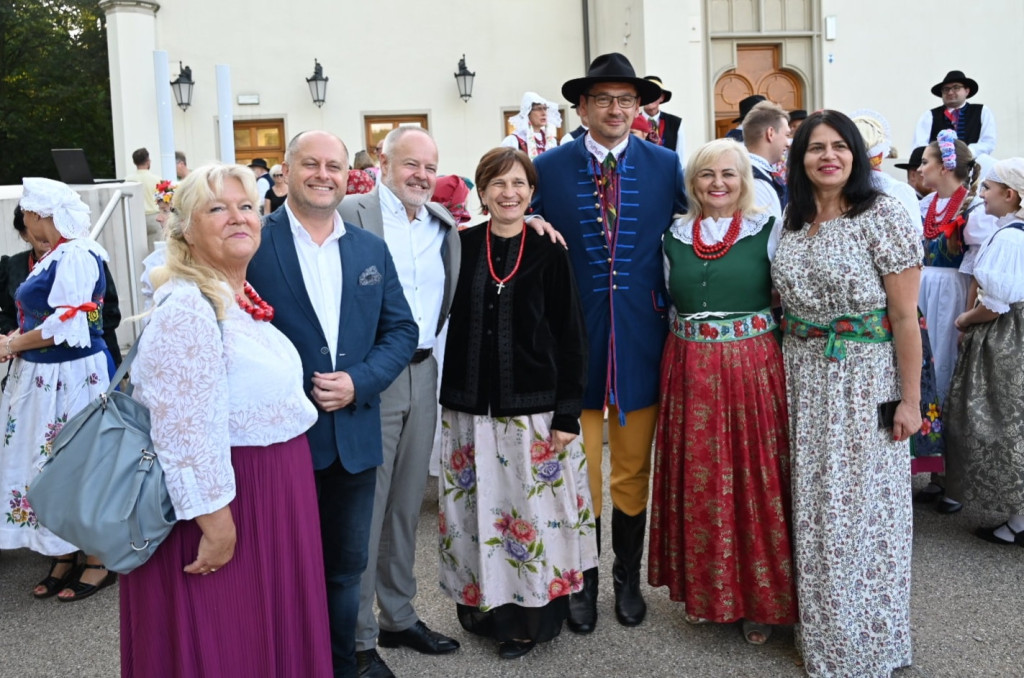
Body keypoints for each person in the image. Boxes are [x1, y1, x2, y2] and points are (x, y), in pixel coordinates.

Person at [119, 163, 333, 677]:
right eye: (217, 208)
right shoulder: (188, 308)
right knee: (230, 634)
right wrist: (214, 523)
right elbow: (181, 429)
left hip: (274, 491)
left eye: (246, 207)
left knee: (267, 632)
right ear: (185, 230)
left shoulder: (232, 299)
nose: (238, 217)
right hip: (228, 502)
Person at [246, 130, 419, 678]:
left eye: (335, 166)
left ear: (351, 175)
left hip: (353, 436)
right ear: (286, 171)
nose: (324, 175)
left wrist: (360, 381)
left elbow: (402, 329)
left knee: (346, 570)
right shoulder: (253, 241)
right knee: (277, 568)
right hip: (279, 441)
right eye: (311, 164)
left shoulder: (369, 247)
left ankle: (342, 665)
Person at [532, 51, 686, 633]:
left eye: (626, 100)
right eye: (604, 100)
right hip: (572, 344)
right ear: (583, 107)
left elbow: (696, 231)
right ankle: (581, 582)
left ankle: (626, 578)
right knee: (576, 471)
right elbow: (518, 229)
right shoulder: (547, 167)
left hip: (643, 341)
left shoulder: (667, 164)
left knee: (629, 471)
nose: (616, 109)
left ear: (637, 106)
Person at [772, 109, 923, 678]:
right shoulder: (793, 217)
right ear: (799, 157)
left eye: (839, 146)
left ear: (857, 156)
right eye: (815, 148)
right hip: (802, 377)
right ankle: (823, 636)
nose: (827, 156)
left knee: (862, 513)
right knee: (813, 510)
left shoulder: (881, 215)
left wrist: (909, 401)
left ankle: (868, 644)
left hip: (863, 380)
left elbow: (906, 319)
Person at [438, 146, 596, 659]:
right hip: (469, 410)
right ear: (481, 192)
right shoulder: (458, 245)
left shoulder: (550, 251)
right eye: (498, 184)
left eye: (519, 184)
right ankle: (483, 609)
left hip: (532, 413)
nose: (509, 193)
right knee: (478, 516)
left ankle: (528, 619)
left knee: (529, 518)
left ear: (532, 192)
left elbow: (571, 335)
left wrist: (569, 412)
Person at [647, 139, 796, 646]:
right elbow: (668, 299)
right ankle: (708, 593)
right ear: (692, 183)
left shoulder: (769, 230)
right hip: (689, 367)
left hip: (752, 368)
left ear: (744, 180)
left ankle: (763, 602)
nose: (717, 184)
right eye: (707, 175)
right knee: (702, 480)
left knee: (757, 481)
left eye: (728, 175)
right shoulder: (674, 234)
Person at [338, 127, 463, 678]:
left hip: (424, 373)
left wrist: (531, 217)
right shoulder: (348, 213)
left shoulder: (443, 225)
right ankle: (358, 638)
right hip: (370, 379)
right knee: (366, 509)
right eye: (411, 164)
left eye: (430, 167)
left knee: (408, 504)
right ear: (382, 162)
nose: (421, 175)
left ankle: (399, 615)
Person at [0, 178, 116, 601]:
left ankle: (99, 558)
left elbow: (68, 327)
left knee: (78, 462)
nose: (26, 221)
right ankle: (63, 551)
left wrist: (13, 343)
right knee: (47, 464)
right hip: (46, 377)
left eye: (27, 213)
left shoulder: (77, 255)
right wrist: (17, 338)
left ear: (38, 215)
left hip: (70, 376)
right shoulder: (57, 256)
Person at [945, 159, 1024, 546]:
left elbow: (996, 304)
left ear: (1010, 195)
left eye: (988, 188)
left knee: (1003, 418)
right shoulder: (1009, 232)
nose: (982, 194)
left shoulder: (1010, 238)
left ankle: (1017, 521)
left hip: (1006, 338)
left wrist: (964, 319)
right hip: (1013, 334)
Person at [1, 206, 122, 365]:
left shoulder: (79, 258)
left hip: (82, 361)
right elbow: (9, 313)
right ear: (24, 234)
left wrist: (13, 344)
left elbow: (108, 313)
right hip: (31, 362)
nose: (46, 234)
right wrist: (12, 336)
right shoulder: (12, 266)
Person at [912, 70, 996, 158]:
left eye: (956, 87)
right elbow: (920, 145)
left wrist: (967, 152)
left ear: (967, 91)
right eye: (946, 89)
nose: (950, 92)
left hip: (973, 165)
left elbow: (988, 142)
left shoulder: (982, 111)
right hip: (940, 167)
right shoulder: (930, 115)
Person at [742, 100, 791, 218]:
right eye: (787, 135)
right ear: (771, 133)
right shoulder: (755, 182)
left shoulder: (754, 172)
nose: (788, 143)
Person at [501, 92, 561, 159]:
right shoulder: (513, 141)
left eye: (545, 108)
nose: (544, 113)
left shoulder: (551, 140)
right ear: (528, 113)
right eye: (539, 109)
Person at [641, 76, 686, 162]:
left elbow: (680, 157)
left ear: (662, 97)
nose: (650, 97)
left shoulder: (675, 123)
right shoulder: (632, 122)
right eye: (646, 93)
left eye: (654, 93)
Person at [126, 147, 162, 250]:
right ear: (148, 161)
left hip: (135, 219)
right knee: (155, 250)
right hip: (154, 218)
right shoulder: (157, 179)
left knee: (138, 252)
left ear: (134, 162)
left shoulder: (127, 180)